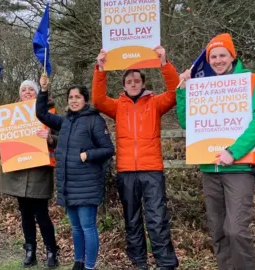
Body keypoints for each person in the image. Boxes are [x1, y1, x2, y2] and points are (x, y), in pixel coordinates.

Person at [176, 33, 255, 270]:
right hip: (210, 166)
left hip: (239, 167)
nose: (218, 60)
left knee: (236, 229)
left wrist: (234, 151)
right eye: (213, 57)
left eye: (222, 55)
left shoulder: (251, 81)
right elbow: (188, 122)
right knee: (218, 230)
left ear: (232, 56)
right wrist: (183, 91)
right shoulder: (203, 86)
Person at [92, 46, 180, 270]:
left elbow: (174, 92)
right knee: (131, 219)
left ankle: (166, 263)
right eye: (129, 81)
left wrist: (164, 63)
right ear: (123, 86)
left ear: (143, 83)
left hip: (152, 170)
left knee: (157, 218)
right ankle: (139, 261)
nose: (133, 84)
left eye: (136, 80)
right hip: (126, 171)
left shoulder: (155, 103)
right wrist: (100, 68)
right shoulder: (117, 106)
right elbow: (98, 99)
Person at [0, 74, 60, 268]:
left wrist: (50, 139)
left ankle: (51, 251)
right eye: (24, 89)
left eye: (31, 89)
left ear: (38, 93)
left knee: (42, 213)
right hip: (19, 170)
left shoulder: (50, 111)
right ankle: (30, 250)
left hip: (39, 169)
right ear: (19, 94)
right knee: (25, 213)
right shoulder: (11, 113)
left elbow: (61, 136)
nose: (27, 92)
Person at [36, 77, 115, 270]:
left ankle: (89, 265)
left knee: (88, 227)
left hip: (87, 184)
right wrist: (43, 90)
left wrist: (88, 154)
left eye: (77, 97)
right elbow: (41, 113)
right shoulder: (65, 122)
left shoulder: (94, 121)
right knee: (76, 227)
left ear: (85, 99)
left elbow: (108, 149)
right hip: (68, 185)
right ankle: (78, 262)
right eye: (71, 97)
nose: (73, 100)